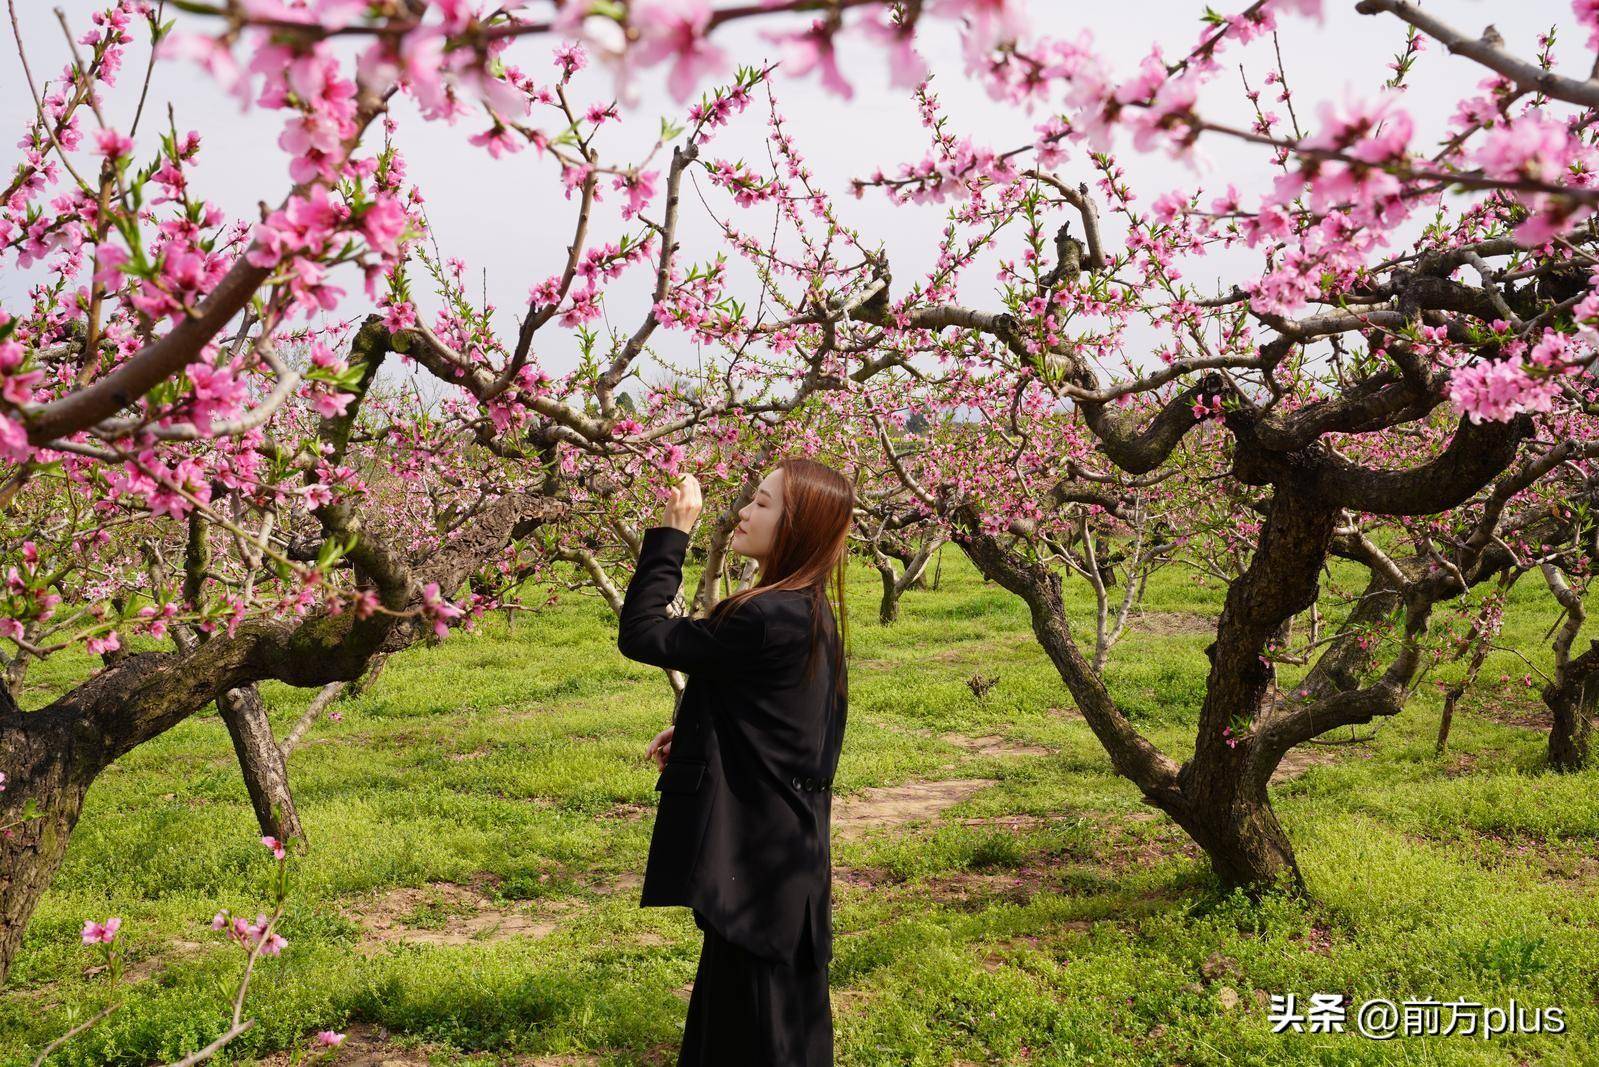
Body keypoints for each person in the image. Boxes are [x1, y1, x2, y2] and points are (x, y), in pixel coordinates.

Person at [617, 456, 854, 1067]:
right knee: (772, 1027)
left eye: (764, 503)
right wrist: (701, 735)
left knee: (754, 1035)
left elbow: (642, 632)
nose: (745, 511)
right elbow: (795, 728)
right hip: (785, 862)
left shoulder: (762, 614)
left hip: (753, 865)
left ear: (796, 527)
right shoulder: (810, 612)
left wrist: (672, 535)